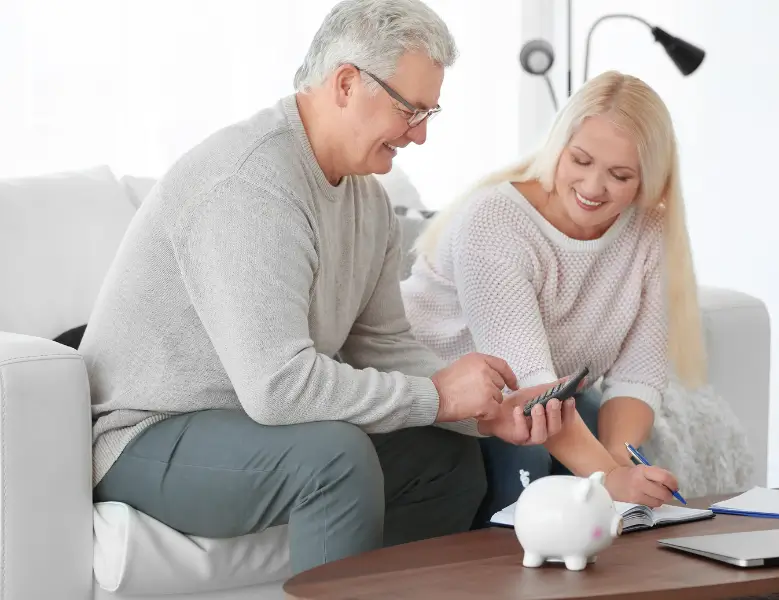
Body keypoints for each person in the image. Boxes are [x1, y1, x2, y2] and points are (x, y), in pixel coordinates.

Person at [82, 0, 574, 576]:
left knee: (444, 458)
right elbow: (279, 388)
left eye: (429, 113)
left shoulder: (369, 201)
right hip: (147, 435)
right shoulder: (251, 182)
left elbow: (383, 347)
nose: (419, 136)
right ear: (346, 83)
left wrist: (480, 414)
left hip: (248, 424)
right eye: (410, 110)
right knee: (334, 458)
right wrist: (438, 398)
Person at [401, 70, 715, 525]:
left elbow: (637, 377)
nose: (592, 188)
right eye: (581, 161)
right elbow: (528, 386)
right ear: (558, 146)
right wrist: (605, 478)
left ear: (648, 179)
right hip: (444, 397)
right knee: (529, 467)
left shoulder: (649, 230)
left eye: (620, 175)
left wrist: (617, 463)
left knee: (628, 468)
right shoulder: (495, 220)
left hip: (540, 399)